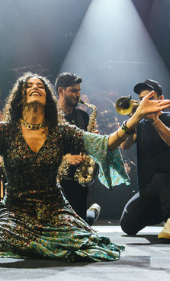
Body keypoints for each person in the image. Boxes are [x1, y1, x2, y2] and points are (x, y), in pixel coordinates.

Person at [0, 73, 170, 261]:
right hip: (16, 210)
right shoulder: (5, 131)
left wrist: (135, 116)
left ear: (49, 97)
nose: (35, 86)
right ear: (19, 98)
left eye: (40, 85)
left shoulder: (60, 131)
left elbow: (105, 144)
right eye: (28, 85)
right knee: (10, 243)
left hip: (54, 208)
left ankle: (82, 219)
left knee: (82, 244)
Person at [119, 79, 170, 242]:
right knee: (127, 225)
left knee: (160, 178)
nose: (144, 102)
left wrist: (154, 120)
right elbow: (124, 145)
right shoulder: (140, 125)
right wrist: (133, 121)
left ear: (161, 99)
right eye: (142, 98)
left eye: (149, 97)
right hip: (148, 188)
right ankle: (161, 212)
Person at [54, 72, 100, 226]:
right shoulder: (50, 116)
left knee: (77, 225)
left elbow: (86, 146)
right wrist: (65, 158)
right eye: (74, 91)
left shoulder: (83, 116)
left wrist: (93, 139)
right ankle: (91, 213)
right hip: (56, 176)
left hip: (78, 178)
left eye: (79, 90)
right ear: (61, 91)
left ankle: (87, 215)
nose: (78, 94)